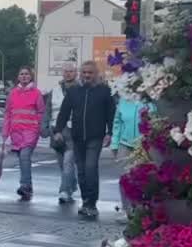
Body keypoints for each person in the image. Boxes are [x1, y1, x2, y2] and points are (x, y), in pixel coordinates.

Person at [54, 60, 116, 220]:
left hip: (95, 137)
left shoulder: (105, 91)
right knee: (81, 171)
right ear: (81, 74)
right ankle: (85, 200)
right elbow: (64, 112)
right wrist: (58, 130)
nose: (87, 75)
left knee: (90, 168)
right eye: (84, 72)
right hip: (77, 137)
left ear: (96, 74)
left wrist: (110, 133)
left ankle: (92, 203)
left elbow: (111, 114)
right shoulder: (74, 91)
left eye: (90, 73)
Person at [2, 66, 45, 201]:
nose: (24, 76)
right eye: (22, 74)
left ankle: (25, 185)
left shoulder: (36, 93)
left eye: (27, 74)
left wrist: (38, 127)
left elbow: (41, 112)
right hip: (16, 132)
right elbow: (8, 113)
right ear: (18, 77)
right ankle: (28, 186)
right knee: (22, 159)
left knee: (25, 156)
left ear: (31, 76)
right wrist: (5, 133)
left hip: (30, 131)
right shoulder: (13, 93)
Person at [44, 63, 80, 204]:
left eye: (71, 71)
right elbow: (48, 110)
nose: (68, 74)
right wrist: (45, 127)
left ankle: (64, 191)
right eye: (66, 71)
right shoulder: (55, 90)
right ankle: (72, 184)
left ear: (75, 73)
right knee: (62, 164)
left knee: (68, 162)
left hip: (73, 130)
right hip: (56, 130)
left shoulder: (81, 89)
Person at [112, 93, 148, 160]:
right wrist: (114, 143)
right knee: (125, 169)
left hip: (147, 145)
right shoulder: (123, 100)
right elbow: (117, 123)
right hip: (125, 144)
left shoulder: (149, 100)